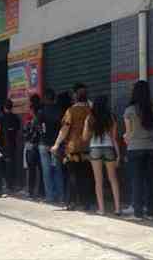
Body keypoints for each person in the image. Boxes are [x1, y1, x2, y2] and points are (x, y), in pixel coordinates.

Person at [52, 83, 93, 211]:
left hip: (73, 147)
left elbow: (65, 129)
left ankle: (71, 202)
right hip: (88, 147)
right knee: (86, 176)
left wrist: (56, 144)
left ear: (75, 96)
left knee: (72, 175)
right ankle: (86, 202)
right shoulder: (91, 110)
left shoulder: (71, 111)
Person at [123, 80, 153, 221]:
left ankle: (138, 213)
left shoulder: (130, 110)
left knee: (137, 181)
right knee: (151, 181)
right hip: (152, 148)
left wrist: (126, 138)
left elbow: (129, 133)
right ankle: (151, 212)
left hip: (135, 149)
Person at [83, 95, 121, 216]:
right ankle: (118, 208)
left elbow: (85, 137)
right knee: (113, 179)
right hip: (109, 148)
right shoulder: (111, 117)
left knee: (98, 180)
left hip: (95, 149)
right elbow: (114, 138)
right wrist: (118, 154)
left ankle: (102, 209)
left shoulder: (90, 118)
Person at [38, 89, 65, 203]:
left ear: (45, 98)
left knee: (46, 171)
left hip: (44, 144)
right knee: (57, 170)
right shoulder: (60, 111)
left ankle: (50, 196)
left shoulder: (41, 112)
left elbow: (39, 127)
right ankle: (61, 196)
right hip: (56, 145)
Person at [23, 95, 43, 199]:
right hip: (40, 145)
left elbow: (26, 132)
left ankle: (30, 192)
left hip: (31, 146)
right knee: (40, 169)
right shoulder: (41, 114)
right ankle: (40, 192)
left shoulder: (31, 118)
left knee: (31, 170)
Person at [1, 99, 21, 192]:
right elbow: (17, 130)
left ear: (4, 107)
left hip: (3, 144)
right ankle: (11, 184)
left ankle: (6, 184)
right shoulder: (16, 118)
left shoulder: (2, 117)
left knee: (4, 164)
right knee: (12, 164)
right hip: (12, 144)